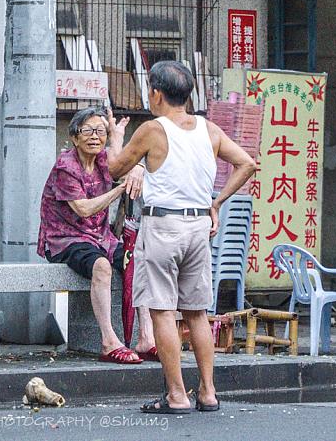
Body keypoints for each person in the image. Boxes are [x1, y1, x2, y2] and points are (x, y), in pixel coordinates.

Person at [108, 61, 256, 414]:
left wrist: (116, 139)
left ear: (156, 93)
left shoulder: (152, 129)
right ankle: (207, 392)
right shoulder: (209, 129)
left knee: (161, 310)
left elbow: (115, 168)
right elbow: (248, 163)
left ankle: (176, 395)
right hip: (198, 229)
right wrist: (216, 202)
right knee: (196, 313)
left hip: (163, 227)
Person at [38, 105, 154, 365]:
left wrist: (138, 169)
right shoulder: (65, 166)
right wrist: (120, 189)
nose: (94, 136)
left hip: (100, 237)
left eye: (100, 131)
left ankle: (146, 337)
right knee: (102, 266)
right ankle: (109, 341)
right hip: (65, 238)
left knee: (138, 261)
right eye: (88, 130)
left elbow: (123, 162)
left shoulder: (102, 159)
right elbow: (83, 208)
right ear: (75, 137)